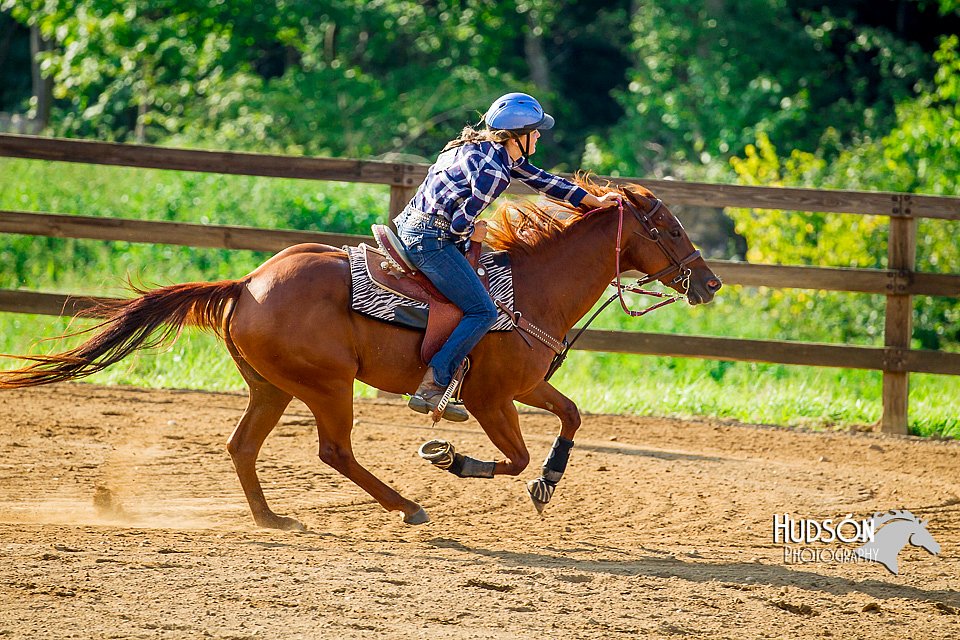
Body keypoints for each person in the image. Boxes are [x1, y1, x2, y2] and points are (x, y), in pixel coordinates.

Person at [395, 92, 621, 421]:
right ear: (518, 136)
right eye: (536, 130)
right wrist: (471, 233)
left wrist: (593, 202)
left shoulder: (479, 148)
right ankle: (434, 382)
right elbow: (461, 221)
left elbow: (545, 181)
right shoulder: (494, 173)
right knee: (482, 310)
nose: (540, 135)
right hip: (431, 239)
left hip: (411, 224)